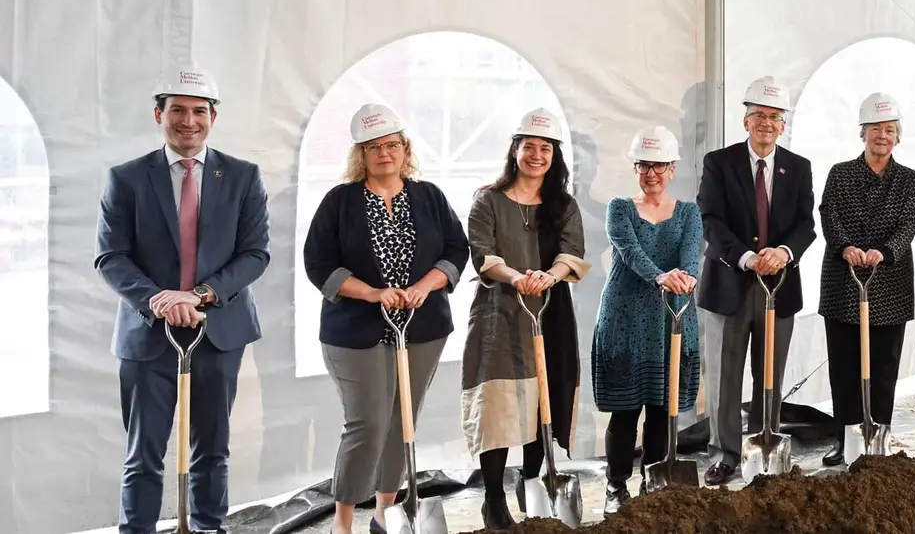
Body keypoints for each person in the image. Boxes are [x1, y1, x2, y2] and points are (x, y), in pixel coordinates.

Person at [96, 69, 271, 534]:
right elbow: (110, 257)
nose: (187, 121)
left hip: (219, 331)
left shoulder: (242, 176)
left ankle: (210, 527)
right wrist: (157, 300)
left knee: (212, 448)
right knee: (144, 453)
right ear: (160, 115)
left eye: (198, 111)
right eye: (177, 110)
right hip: (147, 336)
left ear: (213, 117)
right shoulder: (127, 178)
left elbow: (255, 253)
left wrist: (199, 295)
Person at [302, 104, 468, 534]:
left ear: (404, 148)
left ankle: (385, 513)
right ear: (361, 154)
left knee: (402, 421)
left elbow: (455, 249)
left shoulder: (428, 195)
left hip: (423, 328)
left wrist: (425, 286)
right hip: (354, 331)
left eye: (391, 144)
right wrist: (374, 293)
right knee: (368, 424)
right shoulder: (340, 201)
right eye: (373, 147)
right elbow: (318, 263)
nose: (384, 153)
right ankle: (342, 521)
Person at [461, 108, 592, 529]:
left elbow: (572, 252)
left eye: (546, 148)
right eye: (529, 146)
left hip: (549, 313)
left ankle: (533, 481)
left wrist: (547, 276)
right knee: (499, 408)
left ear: (555, 156)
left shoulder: (563, 205)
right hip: (499, 316)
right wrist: (519, 278)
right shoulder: (488, 199)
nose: (537, 155)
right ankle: (494, 499)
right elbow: (482, 252)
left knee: (544, 401)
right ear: (515, 150)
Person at [695, 77, 817, 485]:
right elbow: (709, 220)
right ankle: (726, 454)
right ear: (746, 122)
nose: (767, 124)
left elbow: (805, 224)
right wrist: (746, 257)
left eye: (774, 117)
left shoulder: (798, 168)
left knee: (770, 375)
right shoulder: (719, 163)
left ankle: (765, 444)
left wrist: (783, 253)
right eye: (759, 116)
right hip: (729, 285)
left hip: (778, 288)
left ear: (783, 125)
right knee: (725, 378)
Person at [592, 126, 701, 512]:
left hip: (670, 320)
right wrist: (661, 276)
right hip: (624, 321)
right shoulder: (619, 209)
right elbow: (631, 253)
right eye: (643, 166)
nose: (651, 174)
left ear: (672, 168)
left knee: (661, 407)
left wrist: (686, 275)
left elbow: (691, 255)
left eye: (658, 166)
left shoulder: (688, 212)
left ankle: (654, 483)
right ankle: (615, 486)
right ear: (635, 168)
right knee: (624, 411)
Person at [817, 94, 915, 464]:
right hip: (844, 283)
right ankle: (843, 438)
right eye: (876, 129)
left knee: (883, 368)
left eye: (889, 130)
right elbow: (829, 216)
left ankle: (880, 436)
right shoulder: (840, 173)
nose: (883, 136)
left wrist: (885, 251)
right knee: (844, 367)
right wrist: (846, 246)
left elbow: (910, 222)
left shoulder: (908, 179)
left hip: (890, 284)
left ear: (898, 137)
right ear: (862, 133)